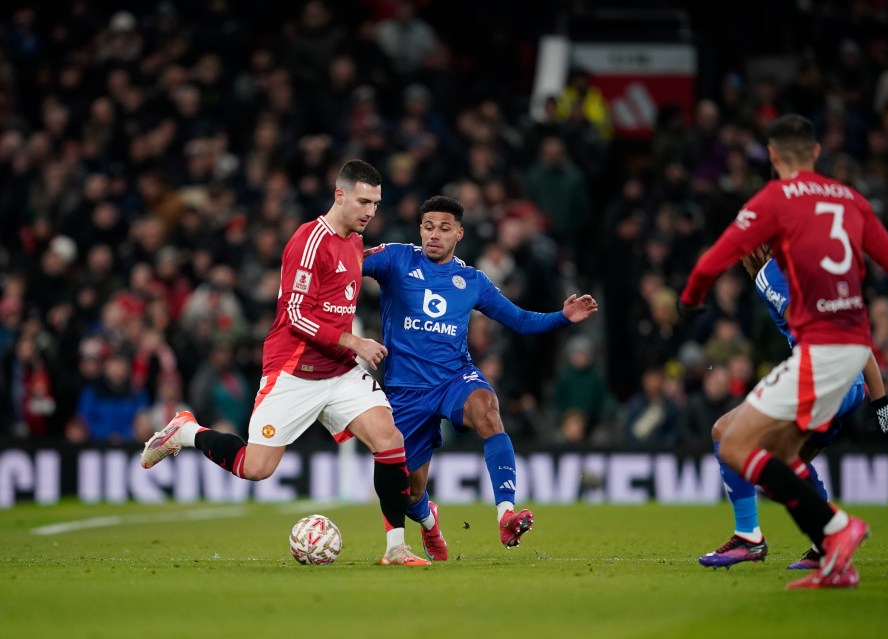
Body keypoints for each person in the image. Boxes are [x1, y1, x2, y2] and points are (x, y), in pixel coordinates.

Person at [678, 114, 888, 590]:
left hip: (824, 369)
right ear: (817, 153)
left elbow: (712, 259)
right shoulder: (848, 203)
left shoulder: (773, 234)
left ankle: (781, 535)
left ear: (775, 155)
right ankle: (829, 552)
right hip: (847, 372)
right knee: (781, 456)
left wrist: (691, 298)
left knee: (731, 438)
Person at [141, 160, 429, 566]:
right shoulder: (309, 241)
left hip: (340, 371)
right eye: (363, 201)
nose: (370, 211)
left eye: (377, 204)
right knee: (256, 468)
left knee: (390, 440)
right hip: (293, 372)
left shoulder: (353, 243)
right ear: (339, 195)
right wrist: (354, 340)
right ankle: (186, 432)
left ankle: (396, 547)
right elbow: (296, 314)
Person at [362, 195, 598, 560]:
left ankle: (506, 513)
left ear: (459, 232)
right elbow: (348, 262)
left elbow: (519, 319)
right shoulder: (396, 258)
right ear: (419, 229)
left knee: (487, 409)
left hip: (454, 378)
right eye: (428, 227)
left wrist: (562, 317)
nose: (434, 235)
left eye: (443, 228)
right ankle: (429, 521)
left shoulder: (471, 280)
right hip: (406, 390)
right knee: (408, 492)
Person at [699, 244, 888, 570]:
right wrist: (882, 403)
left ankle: (751, 536)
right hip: (849, 386)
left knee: (726, 433)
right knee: (783, 468)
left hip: (820, 379)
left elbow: (812, 327)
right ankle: (825, 545)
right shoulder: (814, 269)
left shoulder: (770, 274)